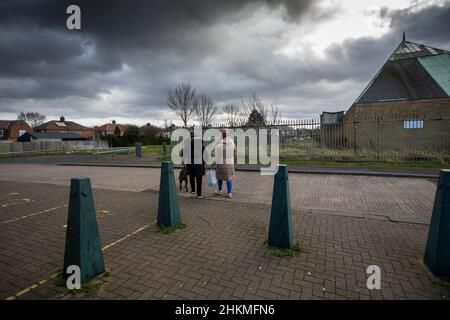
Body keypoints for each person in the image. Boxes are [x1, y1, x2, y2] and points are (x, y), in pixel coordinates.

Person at [214, 130, 237, 198]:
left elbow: (216, 155)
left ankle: (220, 191)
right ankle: (229, 193)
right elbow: (235, 153)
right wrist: (233, 159)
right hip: (230, 163)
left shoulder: (219, 145)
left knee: (220, 178)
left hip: (220, 163)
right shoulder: (232, 143)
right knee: (229, 178)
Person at [184, 132, 206, 199]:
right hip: (199, 164)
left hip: (190, 164)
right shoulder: (201, 145)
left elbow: (183, 154)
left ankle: (193, 192)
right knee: (199, 179)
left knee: (191, 177)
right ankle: (199, 194)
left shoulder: (187, 145)